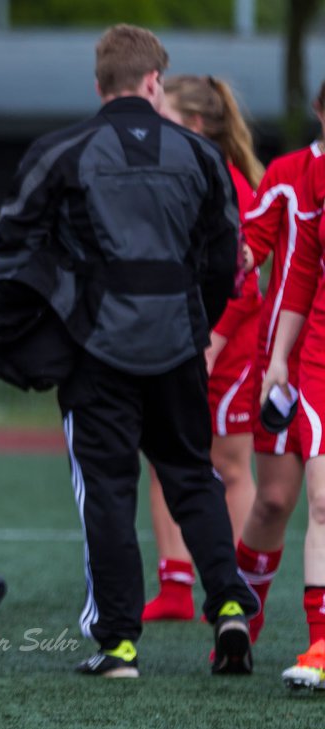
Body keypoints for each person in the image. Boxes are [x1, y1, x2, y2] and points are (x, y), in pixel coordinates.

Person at [0, 24, 258, 678]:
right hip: (180, 345)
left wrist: (25, 340)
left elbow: (11, 248)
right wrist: (196, 322)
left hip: (96, 352)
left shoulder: (62, 150)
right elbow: (224, 258)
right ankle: (229, 609)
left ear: (99, 85)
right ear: (155, 82)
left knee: (107, 491)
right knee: (193, 476)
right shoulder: (201, 155)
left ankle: (119, 645)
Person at [142, 75, 263, 622]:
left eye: (162, 115)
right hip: (174, 338)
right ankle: (174, 587)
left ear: (192, 124)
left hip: (227, 345)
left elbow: (246, 281)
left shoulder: (232, 183)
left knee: (228, 466)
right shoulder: (163, 175)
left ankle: (231, 589)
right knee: (165, 459)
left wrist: (211, 342)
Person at [229, 83, 325, 646]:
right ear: (318, 110)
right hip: (288, 357)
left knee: (317, 496)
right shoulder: (290, 174)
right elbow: (256, 250)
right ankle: (242, 618)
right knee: (273, 499)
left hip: (302, 354)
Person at [256, 106, 325, 690]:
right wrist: (279, 357)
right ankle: (320, 644)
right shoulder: (312, 177)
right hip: (319, 356)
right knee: (319, 500)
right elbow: (303, 268)